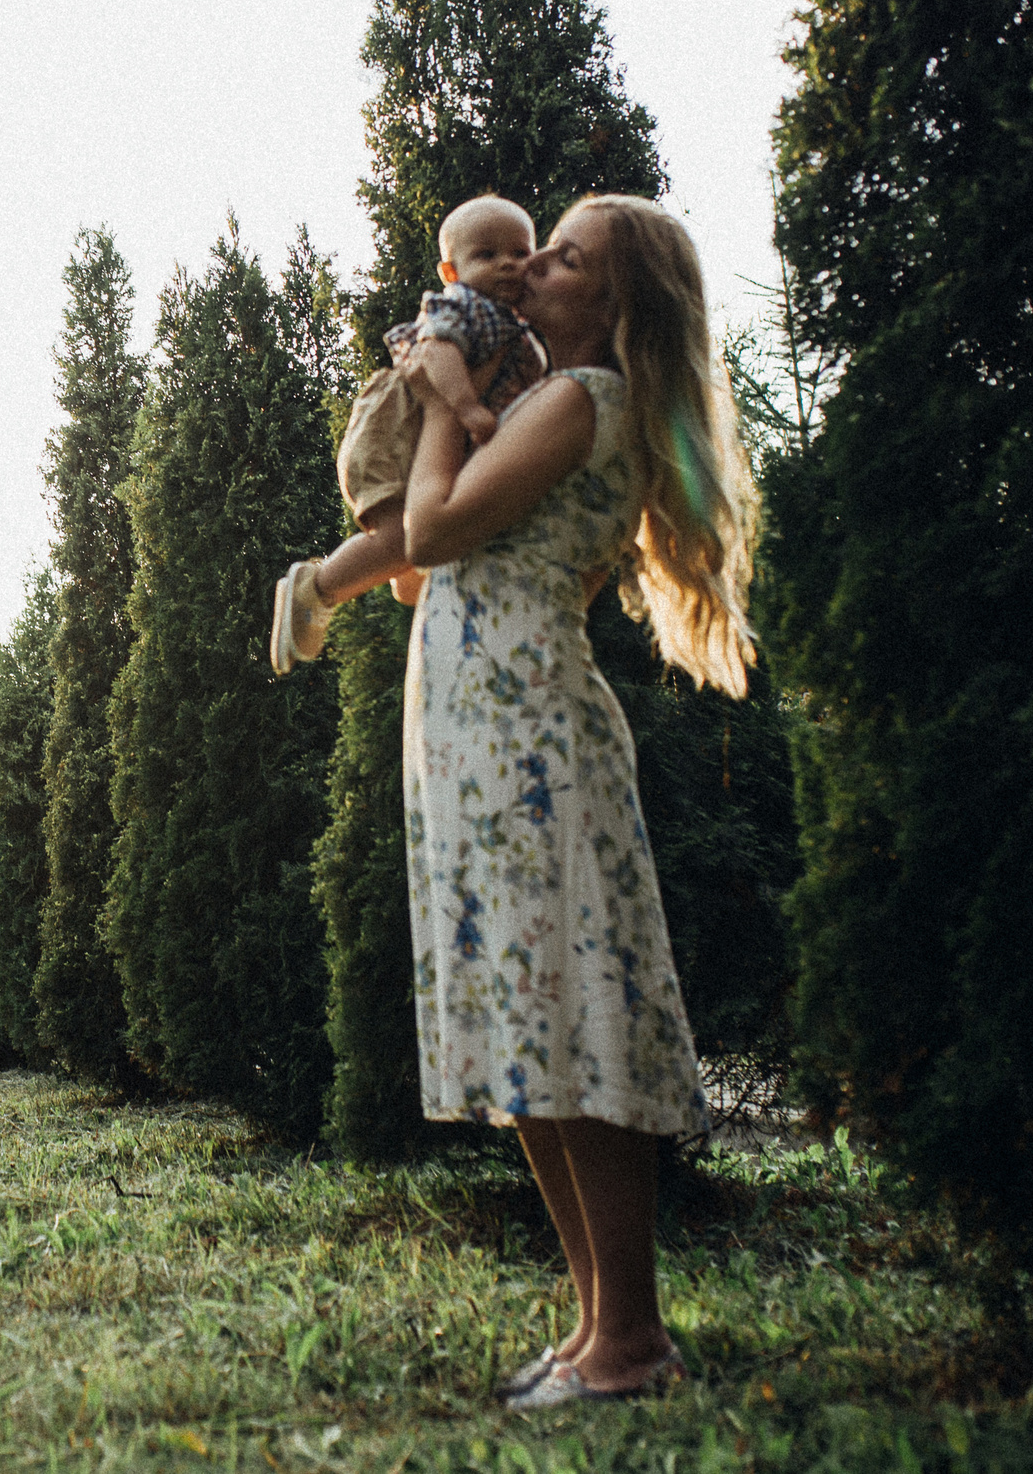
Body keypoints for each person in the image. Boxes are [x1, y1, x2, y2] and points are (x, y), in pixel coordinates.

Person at [395, 194, 756, 1411]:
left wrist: (440, 399)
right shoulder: (561, 398)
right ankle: (599, 1323)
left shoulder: (578, 399)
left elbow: (431, 526)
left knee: (569, 1023)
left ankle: (632, 1339)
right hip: (486, 733)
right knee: (530, 1031)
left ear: (611, 302)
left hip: (524, 740)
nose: (533, 266)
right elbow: (415, 576)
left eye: (563, 258)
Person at [270, 195, 548, 674]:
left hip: (429, 441)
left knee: (423, 557)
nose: (507, 264)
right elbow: (436, 353)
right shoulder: (465, 306)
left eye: (521, 253)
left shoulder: (517, 330)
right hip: (397, 428)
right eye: (486, 255)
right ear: (451, 272)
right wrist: (465, 406)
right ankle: (316, 588)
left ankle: (411, 593)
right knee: (401, 535)